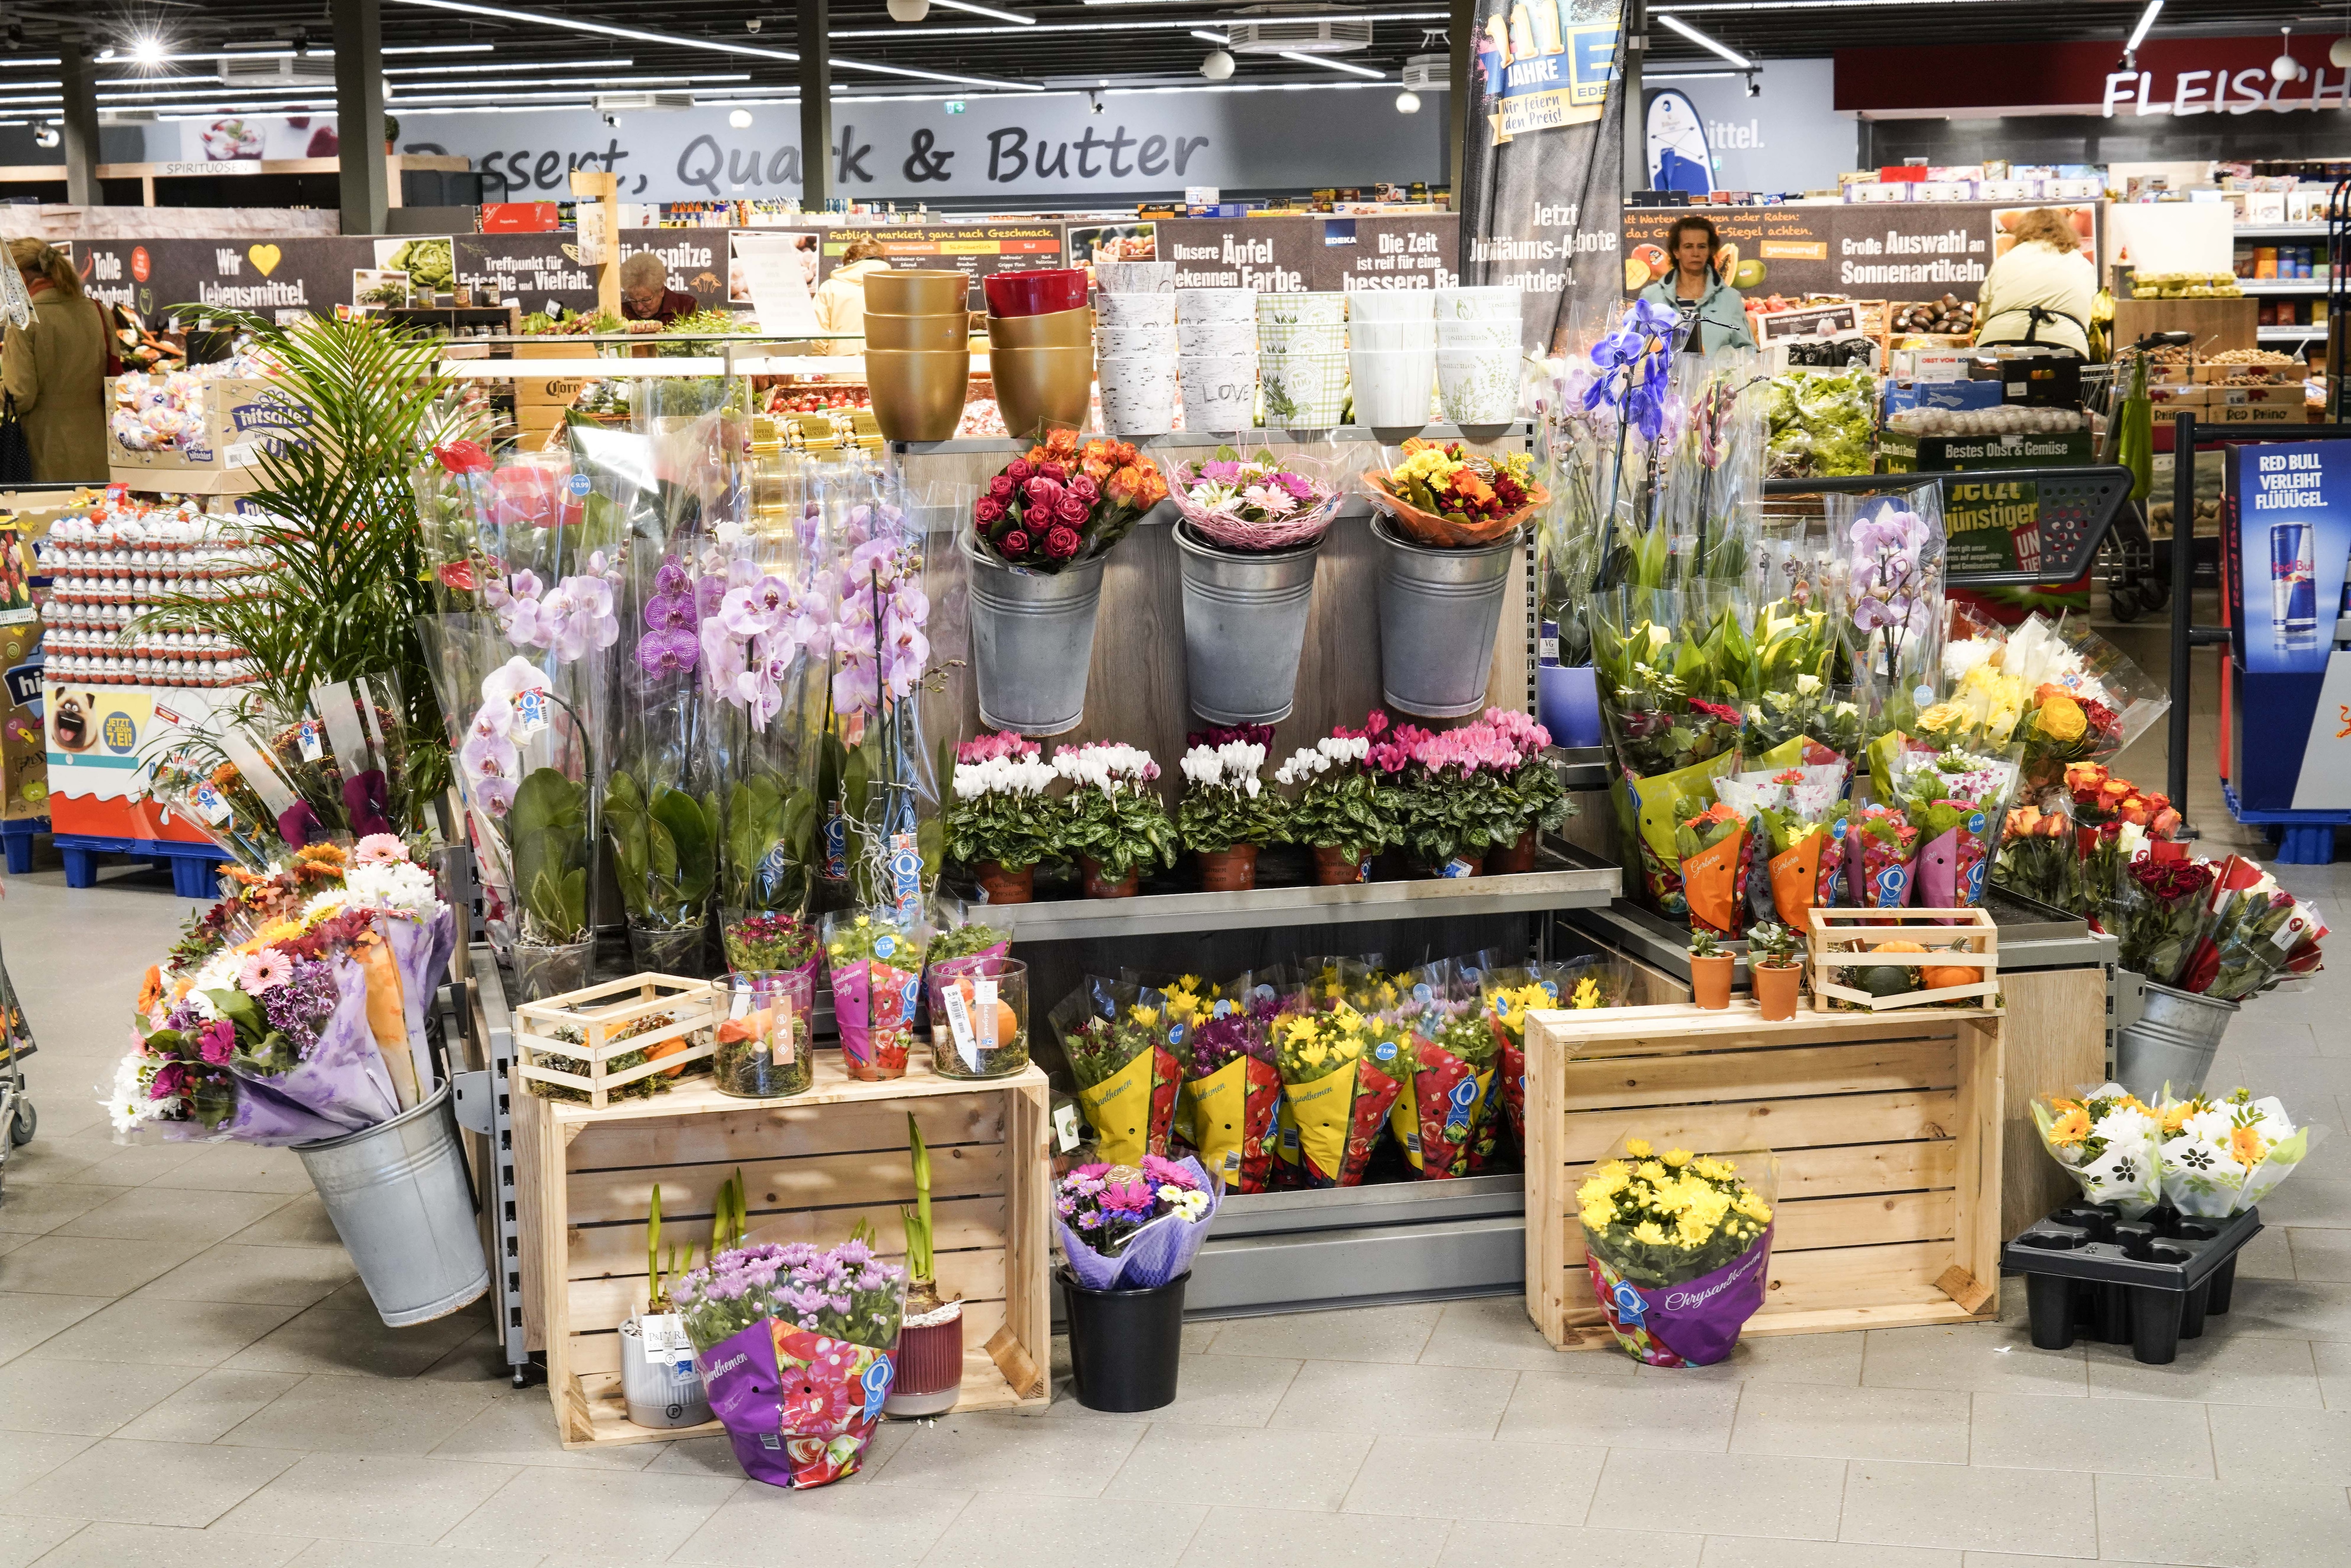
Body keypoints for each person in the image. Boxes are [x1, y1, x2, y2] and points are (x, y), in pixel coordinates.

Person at [0, 239, 109, 483]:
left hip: (47, 444)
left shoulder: (23, 320)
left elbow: (19, 395)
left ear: (22, 279)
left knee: (54, 518)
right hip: (99, 441)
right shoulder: (99, 312)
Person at [1973, 207, 2094, 357]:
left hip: (1998, 341)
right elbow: (2087, 308)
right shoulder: (2081, 262)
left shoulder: (2007, 259)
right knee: (2062, 379)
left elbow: (1984, 311)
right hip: (2066, 344)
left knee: (1997, 380)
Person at [1637, 214, 1755, 354]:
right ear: (1676, 252)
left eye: (1702, 247)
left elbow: (1749, 352)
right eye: (1688, 247)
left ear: (1710, 251)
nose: (1695, 253)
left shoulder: (1731, 299)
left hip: (1716, 376)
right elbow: (1637, 349)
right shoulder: (1651, 296)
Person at [806, 235, 895, 356]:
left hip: (841, 369)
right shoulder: (898, 289)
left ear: (849, 260)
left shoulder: (830, 288)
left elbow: (817, 338)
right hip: (888, 368)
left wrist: (818, 363)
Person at [618, 251, 698, 325]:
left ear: (662, 290)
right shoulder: (621, 313)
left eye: (645, 300)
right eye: (634, 300)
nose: (639, 308)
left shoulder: (686, 307)